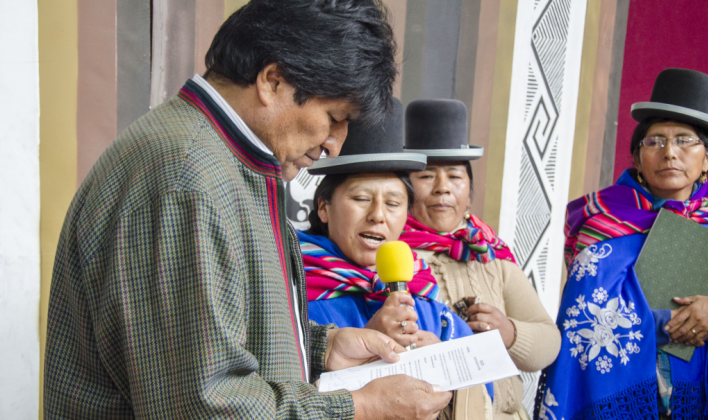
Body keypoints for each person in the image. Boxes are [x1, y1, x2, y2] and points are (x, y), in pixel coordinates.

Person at [43, 2, 453, 419]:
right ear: (272, 81)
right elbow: (205, 405)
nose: (335, 144)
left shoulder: (221, 161)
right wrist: (360, 408)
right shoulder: (187, 178)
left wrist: (321, 348)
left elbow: (212, 340)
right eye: (333, 118)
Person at [536, 68, 708, 420]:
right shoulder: (600, 225)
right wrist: (667, 323)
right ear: (636, 157)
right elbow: (582, 320)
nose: (669, 152)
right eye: (655, 141)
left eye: (684, 140)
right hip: (619, 402)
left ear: (707, 158)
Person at [300, 97, 494, 420]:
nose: (378, 216)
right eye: (361, 198)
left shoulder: (424, 294)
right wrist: (370, 347)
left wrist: (442, 359)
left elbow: (484, 389)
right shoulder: (292, 288)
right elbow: (276, 394)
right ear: (323, 206)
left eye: (393, 203)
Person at [399, 99, 561, 420]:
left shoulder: (490, 253)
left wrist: (509, 333)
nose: (442, 188)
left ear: (469, 192)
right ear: (404, 188)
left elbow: (549, 342)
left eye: (455, 177)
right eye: (427, 176)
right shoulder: (393, 258)